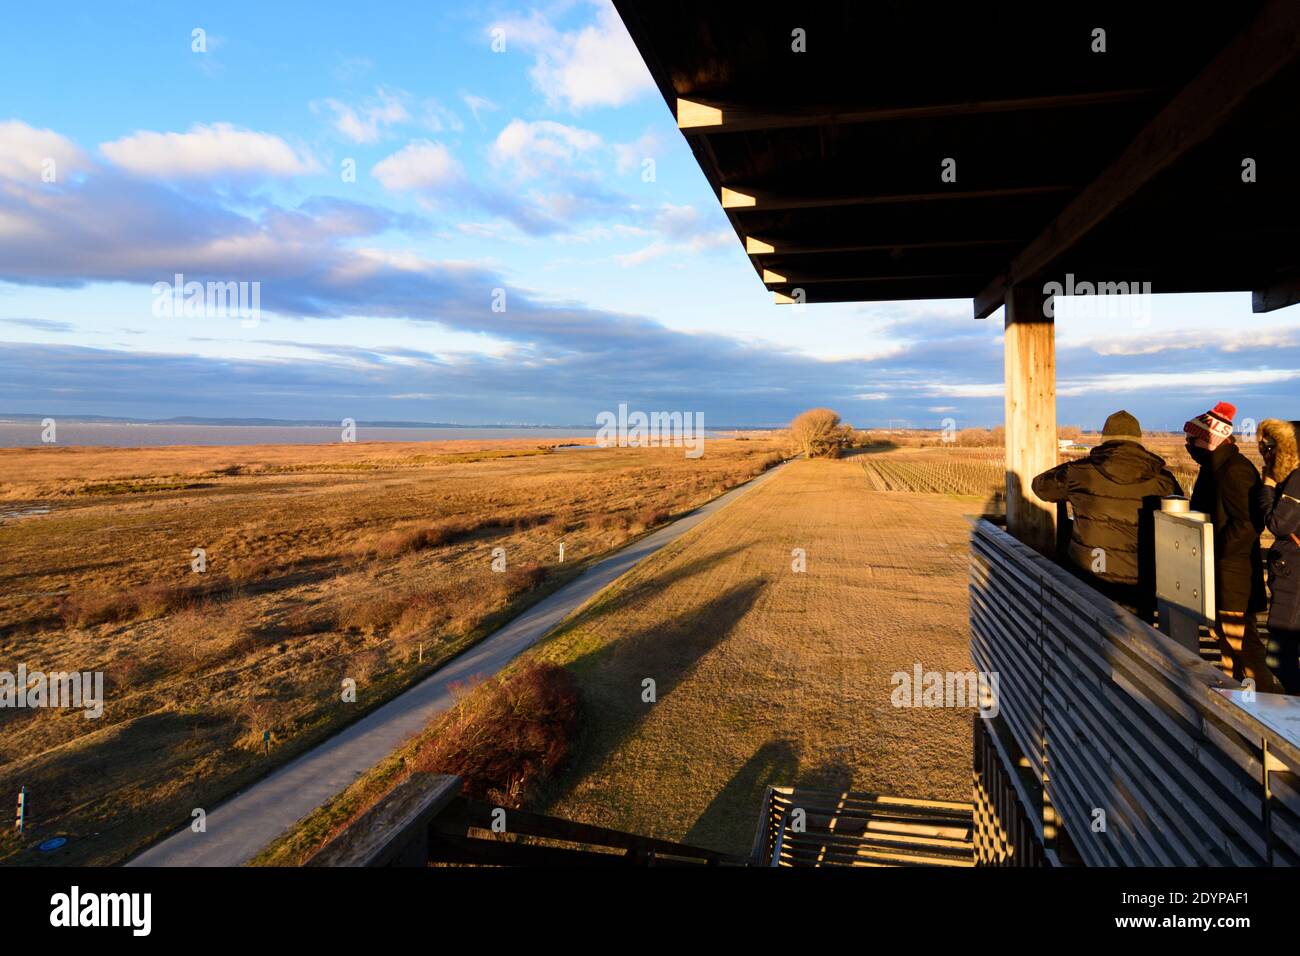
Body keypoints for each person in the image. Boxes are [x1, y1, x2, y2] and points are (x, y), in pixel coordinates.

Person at [1032, 410, 1181, 615]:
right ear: (1138, 440)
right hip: (1141, 579)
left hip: (1089, 575)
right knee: (1138, 638)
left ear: (1104, 439)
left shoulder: (1080, 473)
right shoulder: (1164, 480)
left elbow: (1040, 486)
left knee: (1084, 633)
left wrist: (1074, 466)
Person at [1184, 402, 1281, 692]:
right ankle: (1239, 703)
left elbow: (1248, 525)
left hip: (1233, 577)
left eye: (1193, 440)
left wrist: (1212, 551)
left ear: (1211, 440)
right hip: (1221, 575)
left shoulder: (1234, 471)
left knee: (1244, 647)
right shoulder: (1215, 468)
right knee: (1229, 647)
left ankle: (1267, 708)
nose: (1188, 445)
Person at [1257, 419, 1300, 694]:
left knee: (1278, 656)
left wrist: (1268, 486)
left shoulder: (1297, 479)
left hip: (1294, 574)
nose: (1267, 453)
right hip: (1291, 571)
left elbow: (1278, 524)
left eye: (1271, 447)